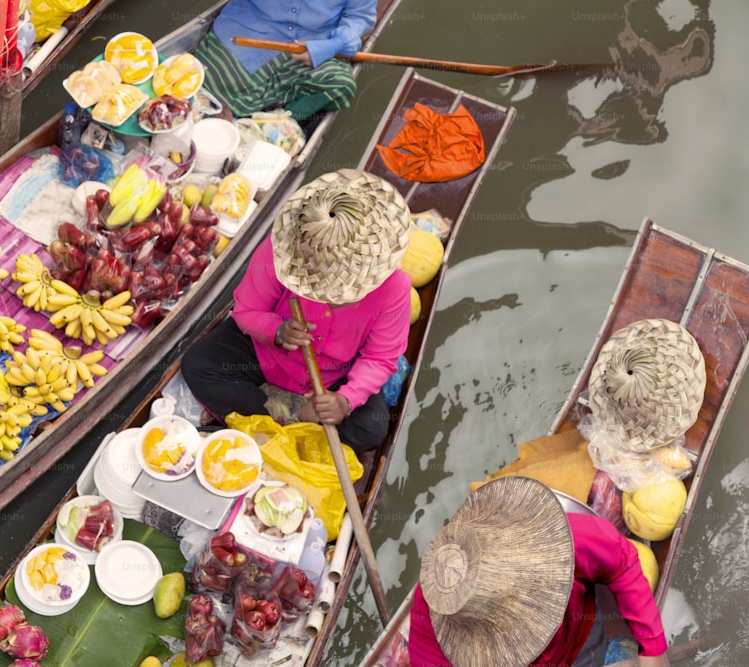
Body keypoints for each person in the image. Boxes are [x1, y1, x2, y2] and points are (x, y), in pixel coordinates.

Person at [180, 168, 412, 451]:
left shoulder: (395, 287)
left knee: (370, 429)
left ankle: (270, 413)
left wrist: (345, 400)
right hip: (268, 358)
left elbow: (380, 357)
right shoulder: (282, 250)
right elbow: (246, 311)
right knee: (199, 364)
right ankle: (296, 415)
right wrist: (276, 331)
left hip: (334, 379)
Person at [408, 476, 670, 667]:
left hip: (580, 631)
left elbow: (621, 559)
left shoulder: (550, 540)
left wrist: (653, 648)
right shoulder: (435, 639)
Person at [194, 0, 377, 121]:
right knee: (209, 76)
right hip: (251, 25)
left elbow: (359, 17)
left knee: (340, 84)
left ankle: (278, 123)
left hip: (316, 39)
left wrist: (335, 43)